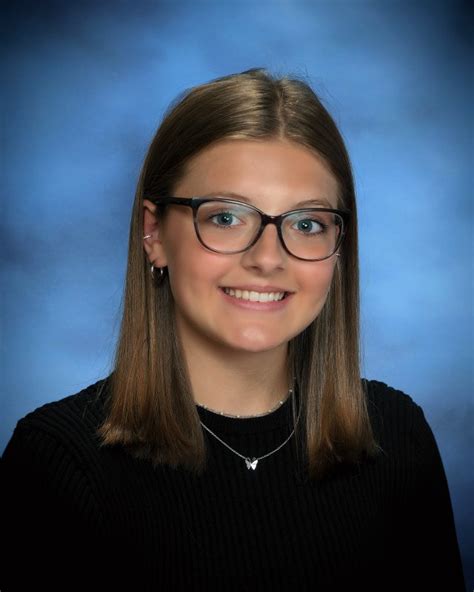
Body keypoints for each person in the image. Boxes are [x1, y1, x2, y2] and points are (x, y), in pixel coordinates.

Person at [1, 67, 466, 592]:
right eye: (226, 217)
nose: (267, 258)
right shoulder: (57, 461)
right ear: (154, 233)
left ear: (338, 247)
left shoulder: (397, 435)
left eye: (306, 224)